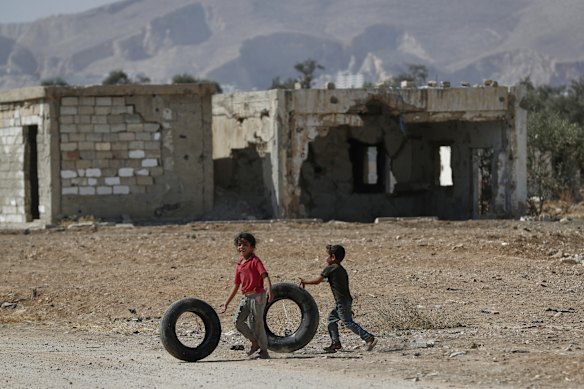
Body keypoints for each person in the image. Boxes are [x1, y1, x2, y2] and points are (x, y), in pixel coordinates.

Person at [299, 244, 377, 353]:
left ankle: (368, 338)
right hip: (345, 301)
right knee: (331, 319)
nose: (326, 259)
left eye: (328, 256)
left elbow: (317, 281)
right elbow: (332, 282)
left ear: (333, 257)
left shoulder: (330, 268)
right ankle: (336, 343)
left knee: (348, 322)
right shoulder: (341, 270)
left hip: (342, 302)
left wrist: (305, 281)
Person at [219, 232, 273, 359]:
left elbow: (265, 275)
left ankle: (264, 350)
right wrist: (226, 303)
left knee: (257, 323)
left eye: (245, 245)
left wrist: (270, 290)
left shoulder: (255, 261)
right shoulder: (239, 264)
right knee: (238, 321)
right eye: (239, 245)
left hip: (257, 296)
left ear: (252, 247)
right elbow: (236, 285)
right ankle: (254, 343)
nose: (241, 247)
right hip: (246, 297)